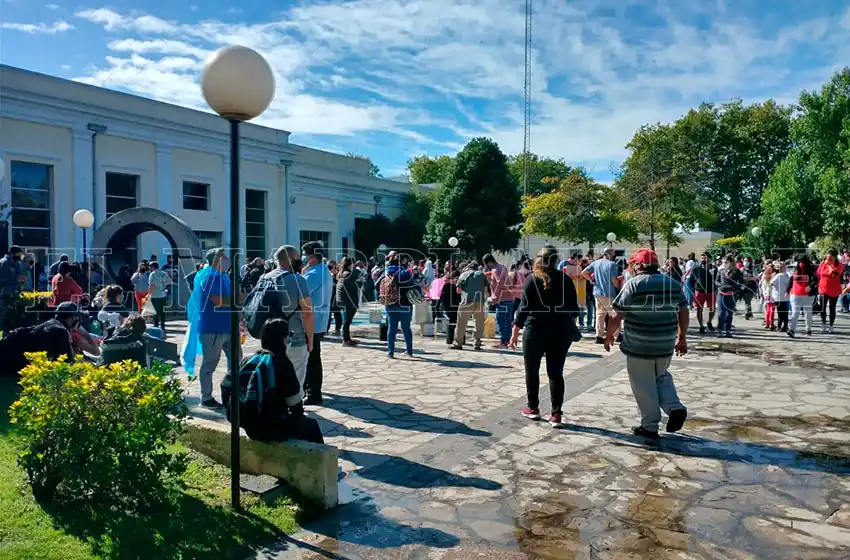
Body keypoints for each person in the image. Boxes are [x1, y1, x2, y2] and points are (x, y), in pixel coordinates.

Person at [604, 248, 689, 439]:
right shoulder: (673, 284)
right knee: (660, 376)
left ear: (640, 266)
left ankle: (650, 425)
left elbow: (617, 314)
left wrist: (609, 335)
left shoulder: (634, 284)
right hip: (665, 344)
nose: (631, 267)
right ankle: (674, 407)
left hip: (639, 345)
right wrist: (682, 337)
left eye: (633, 264)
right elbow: (683, 310)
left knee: (643, 383)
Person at [510, 246, 579, 428]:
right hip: (561, 330)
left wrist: (515, 331)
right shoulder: (566, 280)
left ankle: (533, 408)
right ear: (557, 261)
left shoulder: (531, 280)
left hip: (535, 330)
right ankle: (556, 414)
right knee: (556, 372)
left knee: (531, 371)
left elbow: (523, 308)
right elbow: (574, 309)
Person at [227, 318, 324, 444]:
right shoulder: (282, 363)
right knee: (311, 426)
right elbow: (296, 406)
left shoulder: (248, 360)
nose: (289, 339)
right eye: (289, 335)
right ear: (283, 338)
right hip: (270, 427)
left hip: (248, 426)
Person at [262, 245, 315, 389]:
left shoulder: (265, 278)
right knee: (295, 378)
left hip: (269, 337)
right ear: (291, 259)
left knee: (273, 377)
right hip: (294, 336)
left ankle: (276, 408)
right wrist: (310, 339)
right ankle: (294, 408)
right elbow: (308, 313)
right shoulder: (298, 280)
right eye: (298, 258)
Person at [197, 248, 238, 408]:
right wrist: (237, 300)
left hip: (227, 326)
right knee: (210, 363)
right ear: (215, 259)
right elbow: (219, 300)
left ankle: (233, 392)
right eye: (223, 256)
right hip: (213, 328)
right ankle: (206, 397)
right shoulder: (209, 277)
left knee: (235, 361)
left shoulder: (224, 276)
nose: (226, 258)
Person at [301, 242, 333, 405]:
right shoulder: (324, 271)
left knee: (311, 358)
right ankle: (311, 388)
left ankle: (313, 392)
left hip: (310, 319)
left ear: (312, 257)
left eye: (306, 255)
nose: (304, 258)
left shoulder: (313, 273)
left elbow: (300, 292)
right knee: (312, 356)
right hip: (318, 318)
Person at [581, 248, 621, 344]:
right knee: (614, 314)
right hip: (609, 293)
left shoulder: (596, 263)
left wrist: (591, 280)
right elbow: (614, 281)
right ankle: (617, 335)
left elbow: (584, 273)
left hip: (597, 292)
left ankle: (599, 336)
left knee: (600, 315)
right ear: (610, 255)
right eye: (614, 254)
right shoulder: (612, 265)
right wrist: (619, 287)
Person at [381, 251, 415, 358]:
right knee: (406, 328)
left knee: (391, 329)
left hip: (390, 304)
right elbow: (412, 286)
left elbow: (378, 284)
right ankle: (409, 351)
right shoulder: (405, 273)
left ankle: (390, 352)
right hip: (404, 305)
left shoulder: (387, 273)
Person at [453, 262, 487, 351]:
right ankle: (477, 343)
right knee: (479, 323)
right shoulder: (482, 275)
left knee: (461, 323)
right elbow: (485, 289)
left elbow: (458, 290)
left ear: (468, 267)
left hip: (466, 301)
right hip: (479, 301)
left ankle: (458, 343)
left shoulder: (463, 275)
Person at [483, 254, 512, 348]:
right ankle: (508, 341)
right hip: (510, 298)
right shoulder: (502, 267)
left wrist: (495, 296)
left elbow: (500, 282)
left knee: (501, 321)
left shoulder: (495, 269)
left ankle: (503, 342)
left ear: (488, 262)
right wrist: (490, 274)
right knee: (508, 321)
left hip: (501, 299)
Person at [787, 254, 817, 338]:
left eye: (802, 261)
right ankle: (792, 330)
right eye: (800, 261)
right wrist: (787, 290)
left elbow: (816, 280)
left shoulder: (811, 268)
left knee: (807, 312)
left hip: (807, 294)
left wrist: (810, 286)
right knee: (796, 312)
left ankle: (808, 329)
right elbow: (791, 279)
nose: (801, 263)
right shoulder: (794, 267)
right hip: (795, 293)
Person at [715, 255, 745, 338]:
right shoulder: (721, 271)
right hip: (721, 294)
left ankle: (728, 330)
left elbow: (741, 283)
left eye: (726, 262)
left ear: (731, 263)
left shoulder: (737, 272)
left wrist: (735, 289)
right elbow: (716, 281)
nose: (724, 264)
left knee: (729, 314)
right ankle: (720, 330)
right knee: (721, 313)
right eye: (723, 262)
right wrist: (720, 285)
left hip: (731, 295)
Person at [335, 256, 361, 347]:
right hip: (348, 301)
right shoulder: (348, 273)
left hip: (343, 300)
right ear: (351, 264)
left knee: (346, 321)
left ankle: (347, 338)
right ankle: (346, 340)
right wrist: (356, 268)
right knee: (347, 322)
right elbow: (358, 273)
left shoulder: (342, 273)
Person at [688, 252, 716, 334]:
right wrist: (695, 289)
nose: (703, 260)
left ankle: (709, 322)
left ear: (709, 259)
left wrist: (712, 274)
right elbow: (691, 280)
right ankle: (701, 326)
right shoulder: (696, 268)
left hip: (711, 291)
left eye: (705, 258)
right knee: (699, 309)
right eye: (702, 258)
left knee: (712, 308)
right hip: (699, 291)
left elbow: (718, 279)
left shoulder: (714, 268)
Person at [817, 249, 844, 334]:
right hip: (823, 289)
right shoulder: (822, 264)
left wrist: (829, 265)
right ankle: (823, 324)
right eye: (827, 256)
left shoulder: (840, 265)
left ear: (835, 257)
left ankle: (831, 326)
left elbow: (834, 274)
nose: (828, 258)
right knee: (822, 308)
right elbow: (818, 273)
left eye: (831, 257)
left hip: (834, 290)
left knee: (832, 308)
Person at [147, 261, 172, 332]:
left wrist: (149, 294)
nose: (150, 268)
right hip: (163, 294)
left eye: (150, 267)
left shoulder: (152, 274)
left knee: (155, 311)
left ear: (153, 267)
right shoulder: (164, 273)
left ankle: (156, 325)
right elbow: (170, 282)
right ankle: (163, 326)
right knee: (162, 311)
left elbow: (152, 285)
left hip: (155, 295)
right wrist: (163, 286)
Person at [439, 270, 462, 346]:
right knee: (457, 321)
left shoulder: (446, 284)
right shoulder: (456, 284)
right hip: (455, 305)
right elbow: (459, 295)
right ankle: (458, 338)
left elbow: (441, 295)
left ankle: (450, 339)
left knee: (452, 321)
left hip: (447, 305)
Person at [771, 261, 791, 332]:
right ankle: (784, 326)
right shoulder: (787, 275)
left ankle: (780, 326)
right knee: (785, 313)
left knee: (780, 313)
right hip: (784, 297)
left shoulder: (778, 276)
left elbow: (771, 283)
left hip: (779, 297)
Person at [759, 263, 776, 330]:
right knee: (772, 310)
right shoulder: (773, 276)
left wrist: (763, 294)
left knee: (768, 309)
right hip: (772, 295)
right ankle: (771, 324)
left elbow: (762, 285)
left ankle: (767, 323)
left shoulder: (764, 275)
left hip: (766, 295)